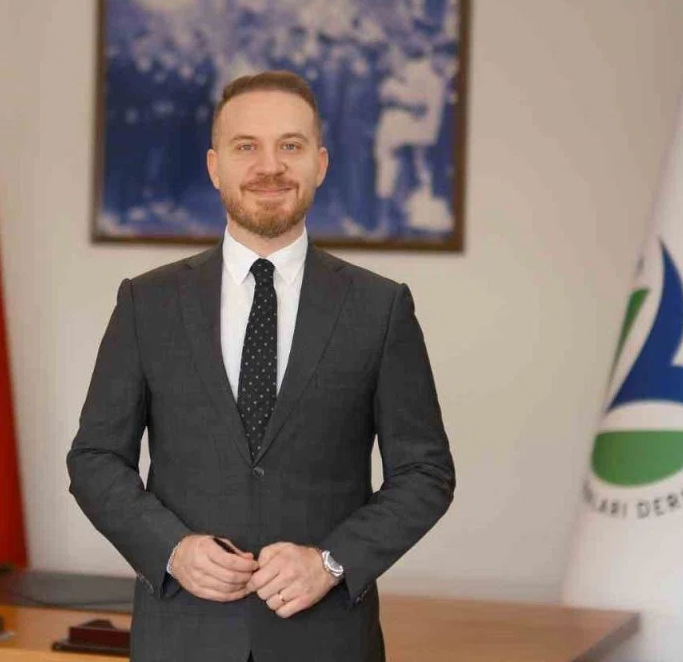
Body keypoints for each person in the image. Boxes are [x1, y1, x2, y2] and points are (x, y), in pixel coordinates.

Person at [67, 70, 456, 662]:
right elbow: (95, 458)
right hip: (181, 640)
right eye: (246, 146)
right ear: (214, 166)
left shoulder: (380, 308)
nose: (269, 167)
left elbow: (426, 472)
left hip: (327, 641)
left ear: (320, 164)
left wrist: (332, 562)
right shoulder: (147, 303)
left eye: (290, 146)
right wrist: (172, 550)